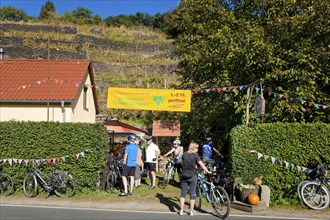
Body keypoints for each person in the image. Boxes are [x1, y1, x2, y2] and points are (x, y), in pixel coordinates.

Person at [179, 142, 211, 216]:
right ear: (193, 148)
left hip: (184, 175)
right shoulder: (195, 155)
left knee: (183, 193)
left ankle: (181, 210)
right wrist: (207, 171)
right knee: (192, 194)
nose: (198, 149)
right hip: (192, 176)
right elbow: (201, 164)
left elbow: (181, 163)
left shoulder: (184, 154)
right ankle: (191, 211)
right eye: (197, 148)